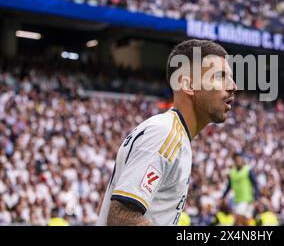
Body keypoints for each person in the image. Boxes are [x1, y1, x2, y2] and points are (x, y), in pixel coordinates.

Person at [97, 39, 237, 225]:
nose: (233, 86)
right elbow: (121, 217)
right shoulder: (164, 133)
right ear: (187, 86)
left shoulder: (174, 135)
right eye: (220, 76)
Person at [222, 153, 259, 225]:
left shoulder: (248, 170)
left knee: (239, 220)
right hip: (236, 200)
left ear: (242, 160)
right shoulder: (232, 172)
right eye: (236, 159)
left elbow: (256, 184)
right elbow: (229, 186)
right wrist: (223, 196)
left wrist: (256, 198)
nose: (237, 161)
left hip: (247, 200)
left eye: (239, 159)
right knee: (243, 222)